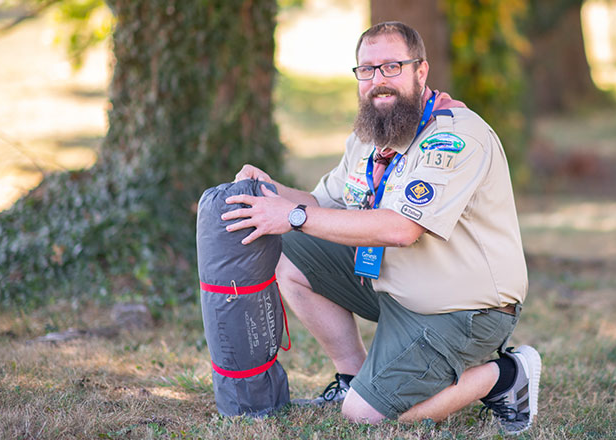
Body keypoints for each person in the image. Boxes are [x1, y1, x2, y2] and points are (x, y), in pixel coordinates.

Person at [222, 21, 541, 434]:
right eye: (367, 70)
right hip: (394, 287)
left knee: (365, 417)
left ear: (420, 71)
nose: (378, 81)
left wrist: (294, 216)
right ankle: (353, 379)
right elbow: (322, 204)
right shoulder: (371, 135)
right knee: (286, 249)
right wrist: (270, 190)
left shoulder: (457, 138)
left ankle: (507, 374)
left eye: (392, 66)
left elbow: (402, 229)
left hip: (463, 310)